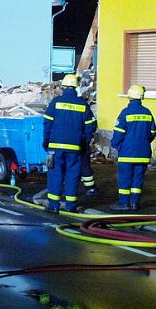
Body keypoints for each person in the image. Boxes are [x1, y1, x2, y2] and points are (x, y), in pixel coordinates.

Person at [42, 73, 96, 213]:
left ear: (64, 86)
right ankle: (70, 206)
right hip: (74, 147)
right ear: (76, 87)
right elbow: (91, 125)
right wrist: (85, 140)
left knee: (55, 174)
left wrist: (46, 141)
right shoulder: (83, 104)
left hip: (55, 147)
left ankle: (54, 206)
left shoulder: (56, 102)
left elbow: (47, 123)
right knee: (73, 175)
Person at [110, 84, 156, 211]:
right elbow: (153, 133)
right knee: (138, 178)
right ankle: (135, 203)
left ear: (129, 98)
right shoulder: (148, 113)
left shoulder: (125, 113)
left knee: (125, 178)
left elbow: (118, 133)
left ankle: (124, 203)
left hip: (127, 153)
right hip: (143, 153)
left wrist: (115, 145)